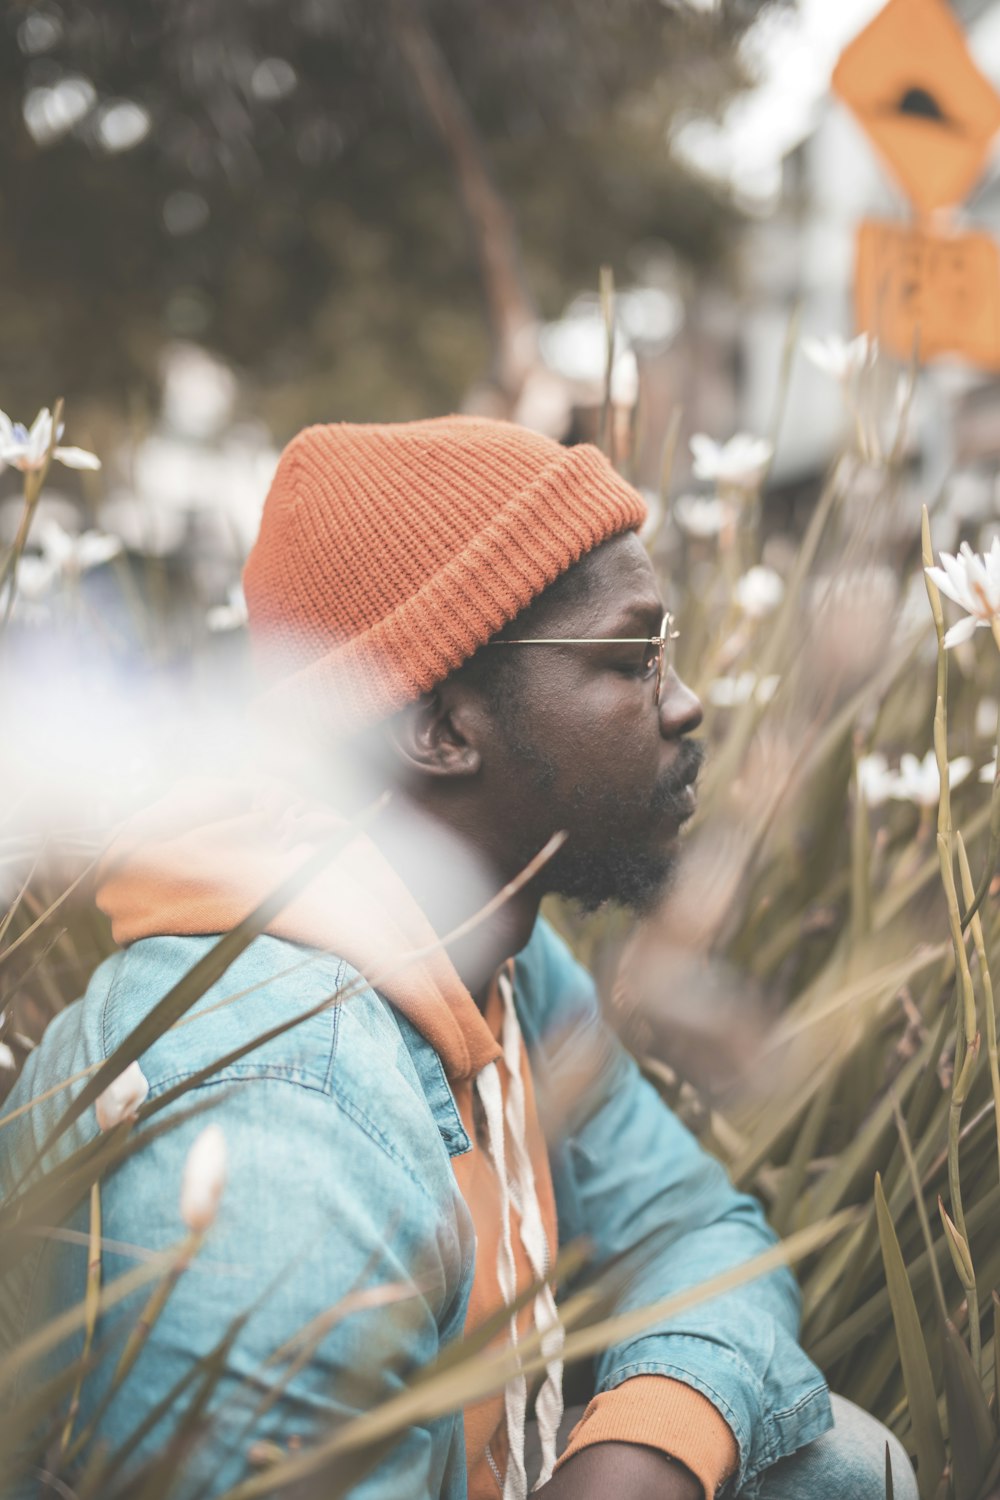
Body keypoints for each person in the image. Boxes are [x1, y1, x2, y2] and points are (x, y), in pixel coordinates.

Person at [1, 417, 916, 1500]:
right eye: (629, 658)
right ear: (439, 727)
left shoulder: (495, 952)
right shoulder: (273, 1127)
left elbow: (695, 1226)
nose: (684, 701)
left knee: (845, 1465)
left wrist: (647, 1449)